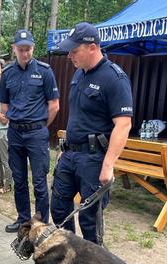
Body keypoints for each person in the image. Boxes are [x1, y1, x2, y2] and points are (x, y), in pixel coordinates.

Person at [50, 22, 133, 244]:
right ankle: (69, 255)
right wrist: (65, 147)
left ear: (93, 48)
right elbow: (78, 116)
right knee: (58, 209)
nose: (69, 56)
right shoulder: (79, 75)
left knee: (89, 219)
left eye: (74, 51)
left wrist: (108, 165)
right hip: (70, 155)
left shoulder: (114, 78)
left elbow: (123, 125)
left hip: (94, 159)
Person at [0, 29, 60, 232]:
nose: (25, 53)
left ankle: (41, 223)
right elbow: (4, 105)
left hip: (36, 133)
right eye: (21, 49)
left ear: (33, 48)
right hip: (15, 133)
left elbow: (54, 105)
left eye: (28, 49)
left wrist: (40, 126)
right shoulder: (7, 73)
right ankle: (24, 220)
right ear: (14, 49)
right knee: (19, 179)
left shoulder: (44, 71)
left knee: (40, 181)